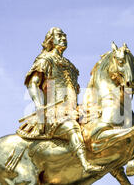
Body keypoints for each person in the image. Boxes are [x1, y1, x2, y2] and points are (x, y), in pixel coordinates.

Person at [17, 27, 104, 173]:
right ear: (51, 40)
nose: (63, 38)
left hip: (73, 110)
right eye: (59, 35)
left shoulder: (70, 66)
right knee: (72, 128)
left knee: (99, 128)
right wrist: (39, 106)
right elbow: (33, 83)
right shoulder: (45, 60)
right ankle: (85, 165)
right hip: (54, 111)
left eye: (64, 36)